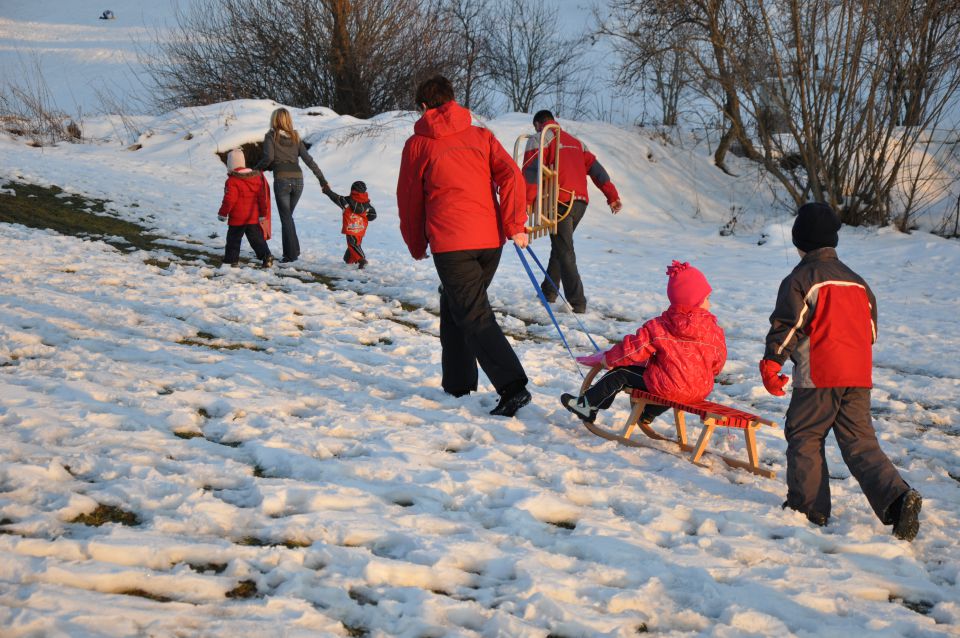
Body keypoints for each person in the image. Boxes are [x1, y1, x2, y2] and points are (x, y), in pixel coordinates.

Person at [760, 202, 921, 540]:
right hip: (858, 375)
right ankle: (898, 498)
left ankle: (808, 509)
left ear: (798, 241)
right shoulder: (858, 283)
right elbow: (871, 332)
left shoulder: (802, 278)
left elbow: (790, 324)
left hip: (820, 373)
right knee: (860, 442)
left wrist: (773, 360)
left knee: (805, 434)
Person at [397, 75, 531, 417]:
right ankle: (458, 384)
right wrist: (513, 223)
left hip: (453, 243)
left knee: (472, 312)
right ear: (452, 100)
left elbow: (410, 197)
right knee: (456, 304)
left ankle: (513, 386)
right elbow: (513, 175)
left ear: (424, 106)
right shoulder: (481, 135)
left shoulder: (418, 144)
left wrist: (415, 242)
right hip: (489, 241)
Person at [561, 261, 725, 424]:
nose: (709, 304)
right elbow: (718, 362)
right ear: (695, 301)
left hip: (669, 387)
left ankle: (587, 405)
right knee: (674, 383)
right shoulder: (714, 330)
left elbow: (634, 348)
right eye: (707, 298)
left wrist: (610, 359)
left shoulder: (661, 325)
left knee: (621, 374)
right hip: (700, 390)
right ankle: (648, 414)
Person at [522, 109, 622, 314]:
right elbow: (598, 171)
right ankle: (548, 291)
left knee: (565, 250)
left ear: (539, 124)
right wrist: (612, 196)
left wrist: (525, 202)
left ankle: (577, 302)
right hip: (580, 203)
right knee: (560, 245)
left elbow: (531, 173)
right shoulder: (577, 142)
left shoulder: (539, 139)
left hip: (560, 201)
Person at [254, 107, 328, 264]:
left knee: (286, 218)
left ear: (275, 120)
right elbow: (308, 159)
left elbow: (268, 158)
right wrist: (322, 179)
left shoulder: (271, 136)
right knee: (288, 218)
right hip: (298, 181)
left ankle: (290, 255)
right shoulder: (295, 137)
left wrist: (254, 171)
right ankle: (295, 250)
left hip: (282, 180)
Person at [218, 148, 274, 268]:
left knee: (233, 239)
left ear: (231, 164)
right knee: (256, 239)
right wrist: (262, 213)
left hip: (237, 219)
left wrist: (223, 213)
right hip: (253, 217)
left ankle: (231, 260)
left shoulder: (232, 181)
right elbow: (261, 197)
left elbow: (229, 199)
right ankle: (266, 256)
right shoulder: (256, 178)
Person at [322, 180, 376, 269]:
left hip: (351, 228)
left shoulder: (346, 201)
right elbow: (373, 216)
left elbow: (335, 197)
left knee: (353, 245)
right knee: (355, 244)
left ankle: (362, 260)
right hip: (361, 228)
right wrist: (365, 217)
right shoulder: (367, 204)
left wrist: (327, 191)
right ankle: (349, 260)